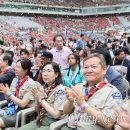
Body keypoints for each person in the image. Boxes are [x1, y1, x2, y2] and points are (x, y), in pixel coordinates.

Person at [62, 53, 122, 130]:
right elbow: (66, 111)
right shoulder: (78, 87)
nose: (89, 70)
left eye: (94, 67)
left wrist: (83, 104)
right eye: (86, 67)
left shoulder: (112, 92)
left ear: (104, 70)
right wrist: (70, 101)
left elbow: (109, 123)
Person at [18, 62, 66, 130]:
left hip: (52, 123)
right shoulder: (43, 88)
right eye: (43, 71)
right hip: (40, 119)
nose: (45, 74)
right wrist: (37, 99)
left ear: (56, 74)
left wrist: (41, 98)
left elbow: (56, 115)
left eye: (49, 71)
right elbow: (37, 111)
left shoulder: (61, 90)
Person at [0, 58, 38, 128]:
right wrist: (6, 92)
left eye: (18, 67)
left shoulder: (31, 84)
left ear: (26, 70)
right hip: (11, 109)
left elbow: (23, 104)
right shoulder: (15, 80)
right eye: (16, 66)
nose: (15, 69)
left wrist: (9, 94)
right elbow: (8, 100)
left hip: (23, 114)